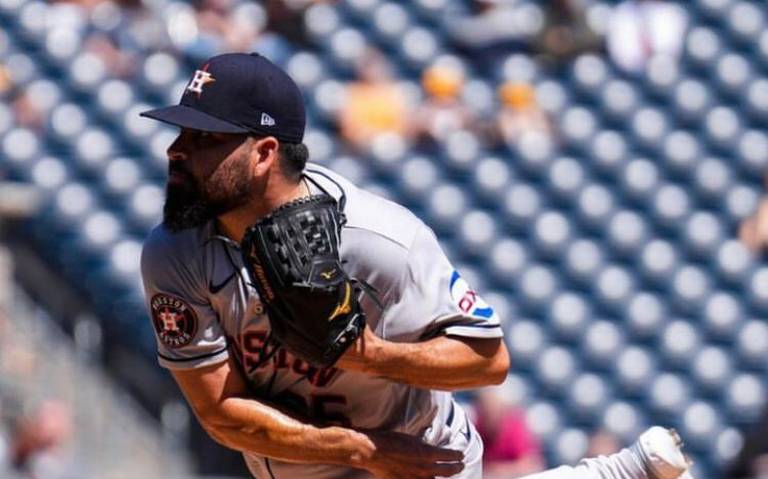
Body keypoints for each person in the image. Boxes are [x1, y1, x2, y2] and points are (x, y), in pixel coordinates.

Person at [139, 52, 694, 479]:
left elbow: (488, 361)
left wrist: (370, 355)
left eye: (204, 137)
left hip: (421, 459)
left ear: (263, 153)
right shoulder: (175, 255)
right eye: (181, 133)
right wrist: (363, 449)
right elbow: (221, 413)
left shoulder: (379, 240)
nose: (177, 150)